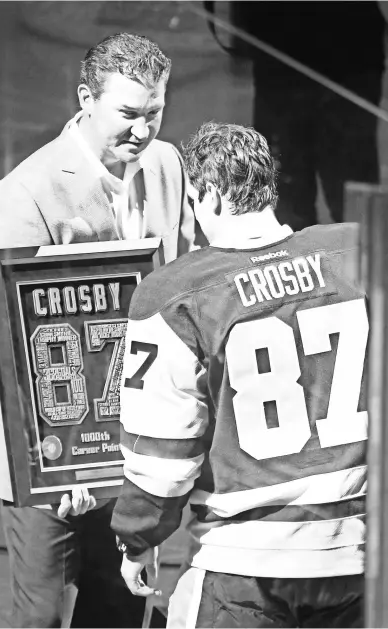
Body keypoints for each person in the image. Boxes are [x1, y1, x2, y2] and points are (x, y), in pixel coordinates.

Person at [0, 32, 200, 629]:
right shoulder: (23, 195)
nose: (143, 130)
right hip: (52, 458)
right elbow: (8, 345)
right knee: (42, 616)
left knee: (124, 610)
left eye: (154, 112)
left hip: (134, 448)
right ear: (85, 98)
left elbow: (184, 285)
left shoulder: (168, 164)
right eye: (127, 114)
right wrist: (63, 466)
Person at [111, 122, 368, 628]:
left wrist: (138, 539)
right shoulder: (357, 252)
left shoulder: (173, 294)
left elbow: (164, 457)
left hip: (245, 565)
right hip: (358, 553)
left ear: (204, 195)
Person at [208, 1, 386, 230]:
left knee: (351, 195)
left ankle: (363, 256)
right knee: (287, 193)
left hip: (347, 53)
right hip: (282, 50)